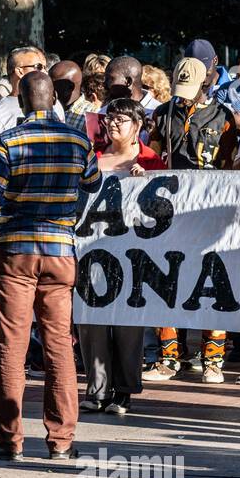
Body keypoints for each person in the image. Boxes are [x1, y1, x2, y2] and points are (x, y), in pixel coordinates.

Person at [0, 70, 101, 462]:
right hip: (60, 252)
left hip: (15, 252)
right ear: (53, 101)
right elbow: (92, 183)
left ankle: (10, 441)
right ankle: (61, 441)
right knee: (60, 346)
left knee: (11, 347)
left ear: (22, 100)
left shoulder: (8, 142)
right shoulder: (79, 141)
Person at [146, 56, 240, 383]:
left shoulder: (223, 117)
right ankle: (169, 355)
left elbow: (230, 163)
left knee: (212, 279)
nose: (184, 96)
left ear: (206, 84)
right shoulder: (162, 114)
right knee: (167, 279)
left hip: (211, 209)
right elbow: (153, 156)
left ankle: (213, 357)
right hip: (170, 209)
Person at [78, 97, 165, 415]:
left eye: (122, 119)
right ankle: (97, 388)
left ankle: (124, 390)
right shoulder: (94, 159)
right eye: (110, 119)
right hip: (95, 251)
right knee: (93, 322)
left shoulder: (152, 160)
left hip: (134, 253)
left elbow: (167, 209)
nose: (114, 124)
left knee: (128, 323)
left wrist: (148, 182)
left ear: (138, 125)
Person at [0, 47, 50, 166]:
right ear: (19, 71)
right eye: (38, 67)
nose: (45, 72)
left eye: (45, 67)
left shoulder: (56, 106)